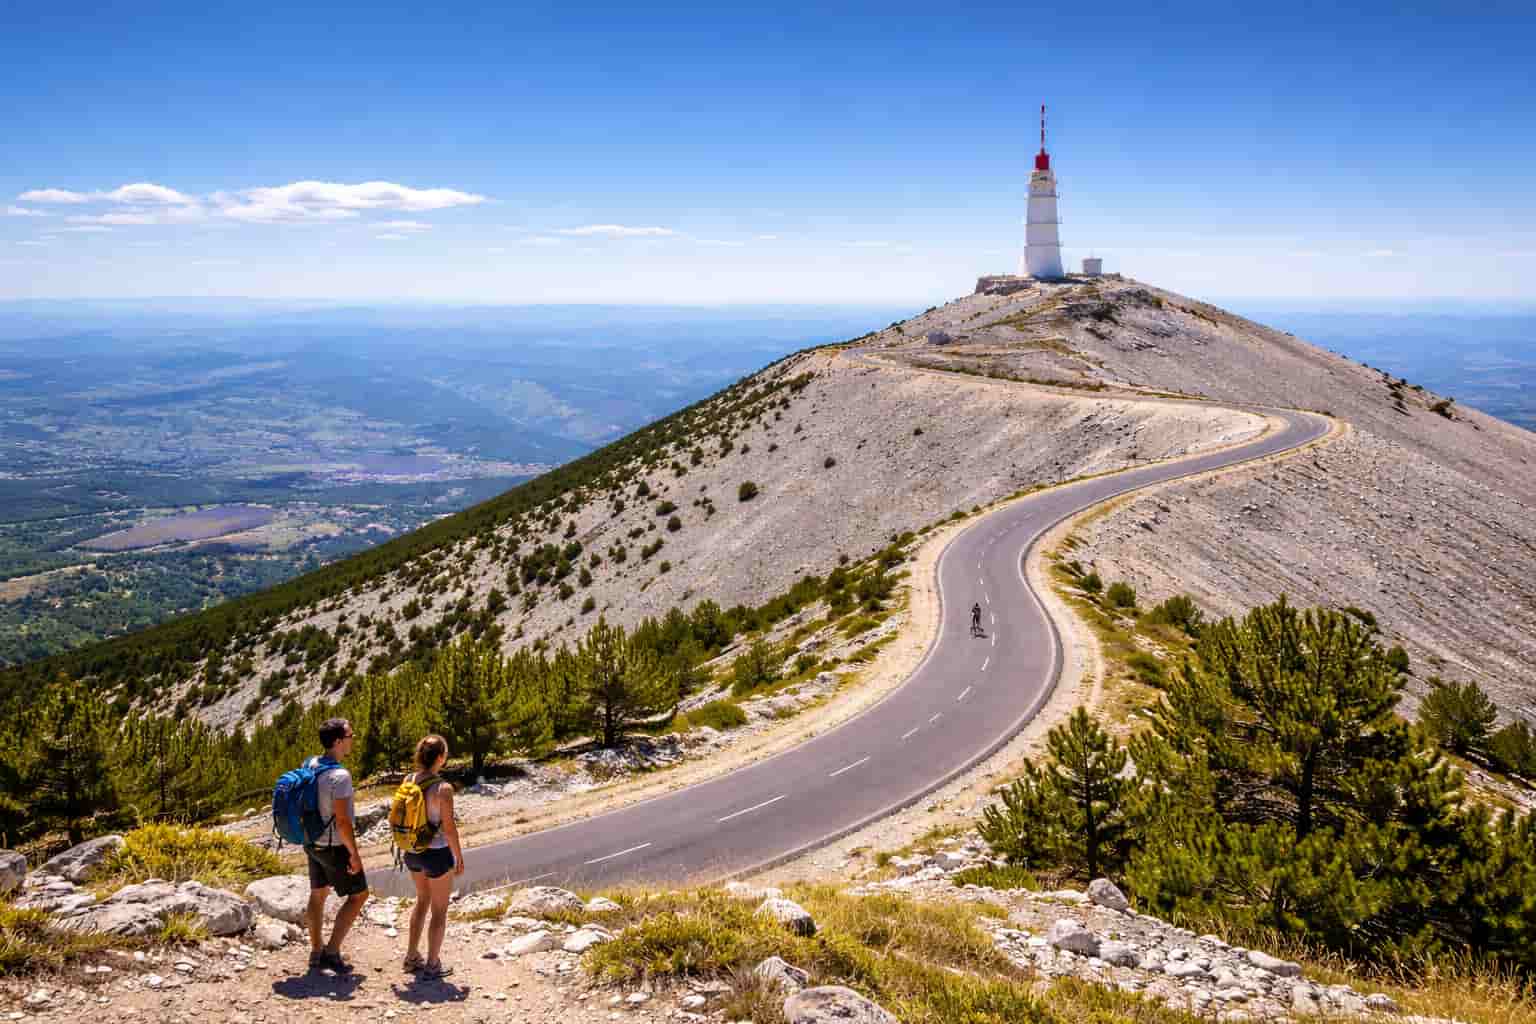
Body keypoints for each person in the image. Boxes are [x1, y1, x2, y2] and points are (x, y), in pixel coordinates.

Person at [304, 717, 369, 974]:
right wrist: (354, 854)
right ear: (339, 741)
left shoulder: (310, 763)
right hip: (333, 845)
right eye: (350, 735)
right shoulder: (340, 776)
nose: (353, 739)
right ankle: (332, 951)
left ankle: (316, 950)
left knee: (318, 893)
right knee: (359, 895)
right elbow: (343, 822)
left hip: (311, 841)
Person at [401, 734, 465, 980]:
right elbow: (448, 829)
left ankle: (411, 956)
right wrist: (458, 856)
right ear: (441, 757)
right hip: (436, 853)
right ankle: (433, 963)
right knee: (439, 910)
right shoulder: (443, 788)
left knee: (421, 901)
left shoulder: (408, 779)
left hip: (412, 851)